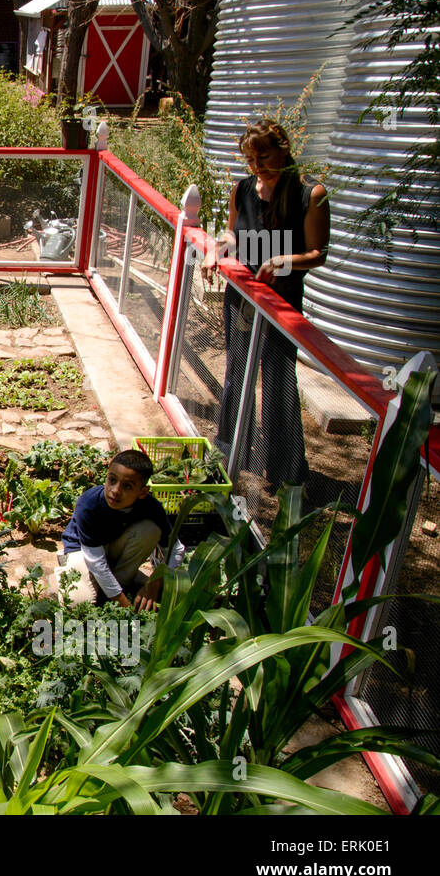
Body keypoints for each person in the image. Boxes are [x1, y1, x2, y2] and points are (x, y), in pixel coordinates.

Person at [204, 118, 329, 491]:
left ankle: (286, 470)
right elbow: (233, 231)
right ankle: (229, 455)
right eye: (251, 159)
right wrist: (217, 247)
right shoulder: (242, 189)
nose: (257, 166)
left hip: (282, 302)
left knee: (278, 381)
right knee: (236, 376)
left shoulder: (312, 194)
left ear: (284, 149)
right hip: (241, 297)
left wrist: (282, 262)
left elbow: (318, 253)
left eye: (264, 156)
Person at [53, 449, 185, 609]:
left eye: (128, 486)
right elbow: (96, 562)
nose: (115, 490)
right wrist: (125, 606)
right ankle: (67, 572)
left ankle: (117, 584)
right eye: (112, 480)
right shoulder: (89, 504)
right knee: (77, 603)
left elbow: (176, 549)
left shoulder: (151, 507)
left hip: (115, 548)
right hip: (83, 551)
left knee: (151, 529)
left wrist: (155, 585)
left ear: (142, 492)